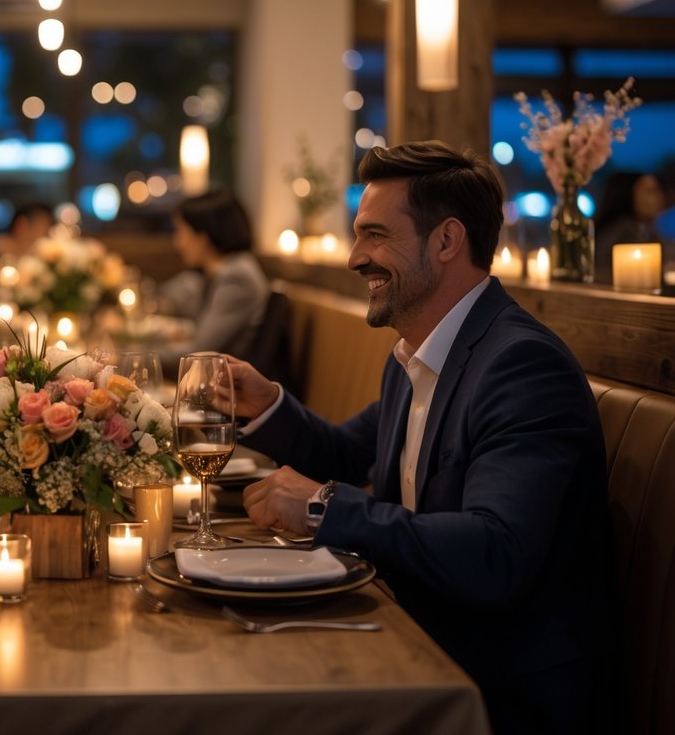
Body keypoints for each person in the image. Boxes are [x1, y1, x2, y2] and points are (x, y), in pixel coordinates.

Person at [228, 141, 609, 735]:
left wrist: (321, 507)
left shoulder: (522, 365)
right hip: (415, 636)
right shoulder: (417, 351)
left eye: (375, 235)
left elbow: (495, 551)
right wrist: (265, 403)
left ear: (447, 241)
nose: (356, 258)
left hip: (491, 687)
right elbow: (345, 454)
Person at [159, 189, 269, 367]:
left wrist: (132, 356)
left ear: (203, 237)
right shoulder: (224, 270)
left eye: (181, 231)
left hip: (230, 387)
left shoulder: (237, 277)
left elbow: (200, 353)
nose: (177, 242)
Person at [593, 171, 667, 283]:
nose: (659, 197)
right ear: (628, 194)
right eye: (650, 191)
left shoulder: (650, 233)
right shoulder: (614, 233)